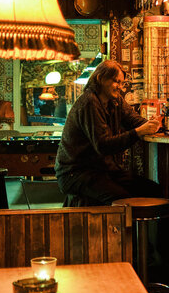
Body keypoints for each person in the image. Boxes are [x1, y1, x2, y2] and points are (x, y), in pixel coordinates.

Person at [55, 60, 162, 205]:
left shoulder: (115, 100)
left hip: (101, 169)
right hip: (76, 172)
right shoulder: (89, 102)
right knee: (122, 199)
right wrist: (137, 133)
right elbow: (103, 145)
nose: (120, 87)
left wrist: (151, 124)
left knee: (153, 190)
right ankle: (116, 228)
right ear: (100, 79)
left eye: (122, 83)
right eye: (116, 81)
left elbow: (133, 120)